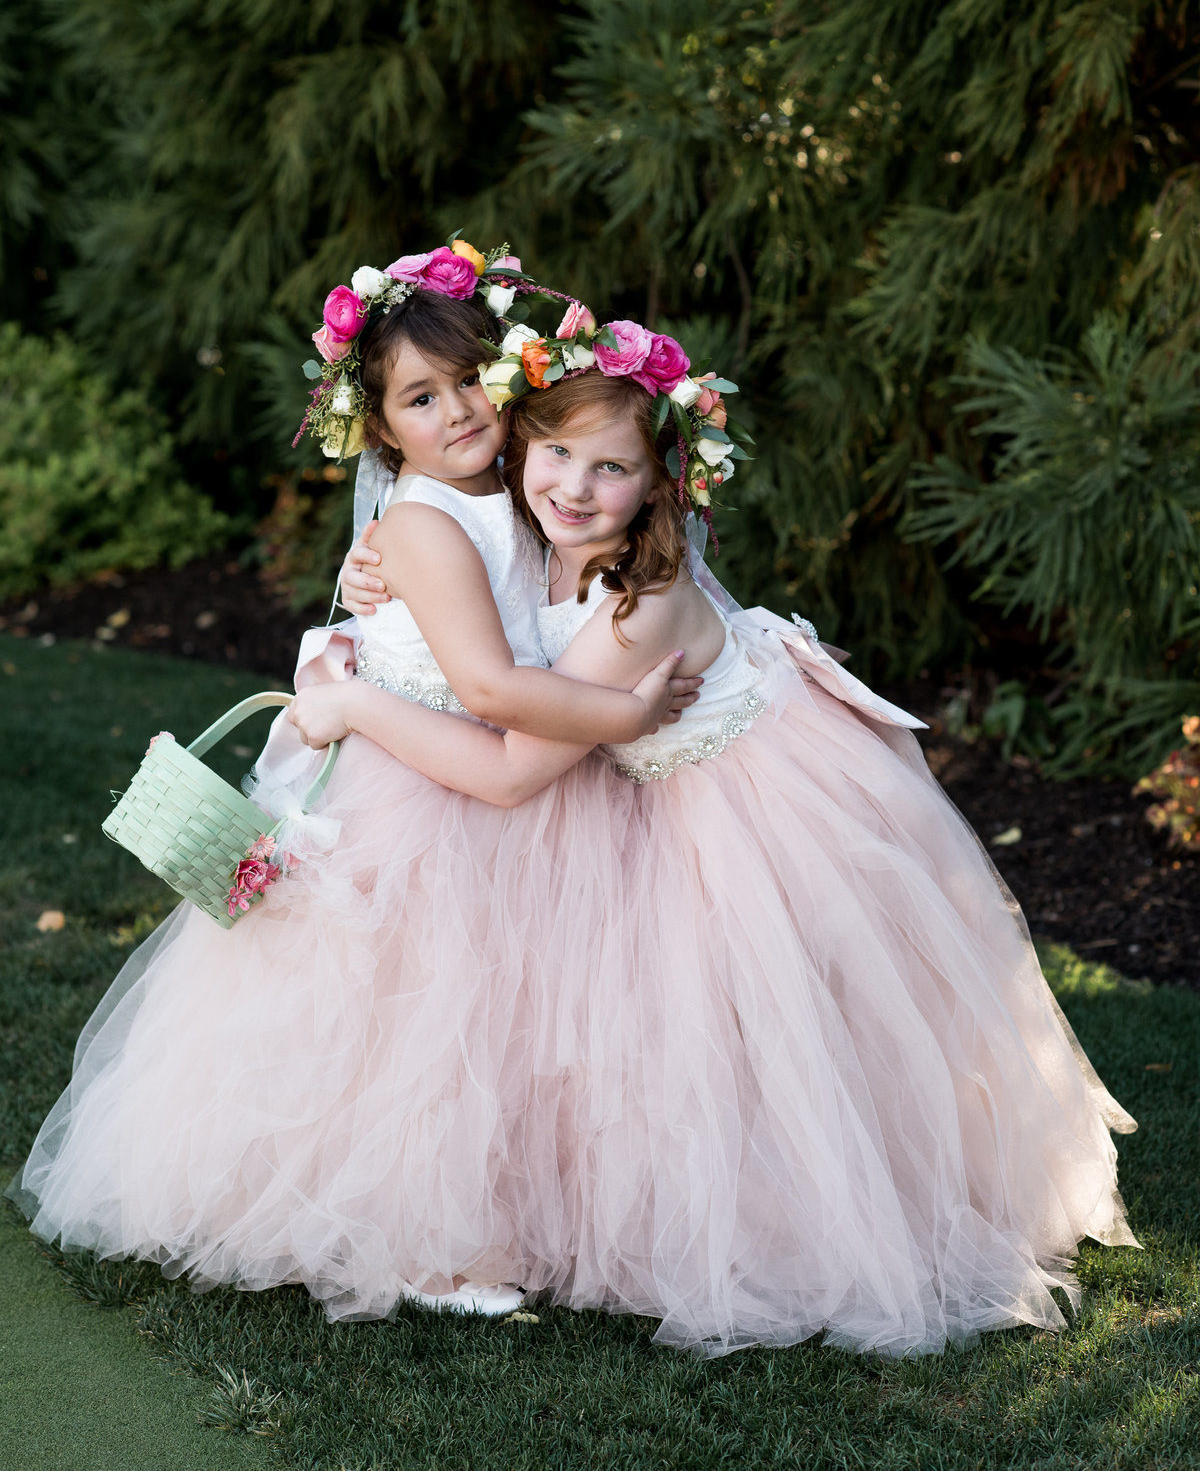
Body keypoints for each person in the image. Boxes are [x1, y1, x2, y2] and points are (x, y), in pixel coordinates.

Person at [292, 306, 1140, 1359]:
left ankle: (839, 1211)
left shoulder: (630, 601)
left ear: (658, 483)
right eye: (553, 452)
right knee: (652, 1025)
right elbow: (466, 598)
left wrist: (376, 702)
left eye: (608, 468)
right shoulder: (517, 511)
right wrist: (379, 577)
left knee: (774, 1027)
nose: (569, 483)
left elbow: (514, 757)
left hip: (746, 809)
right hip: (651, 797)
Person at [11, 245, 699, 1322]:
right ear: (383, 431)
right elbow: (484, 678)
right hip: (427, 783)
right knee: (416, 1019)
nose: (460, 410)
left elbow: (599, 464)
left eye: (475, 378)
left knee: (512, 1020)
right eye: (422, 399)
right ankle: (420, 1245)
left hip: (499, 768)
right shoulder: (422, 522)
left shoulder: (528, 485)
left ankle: (511, 1209)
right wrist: (623, 713)